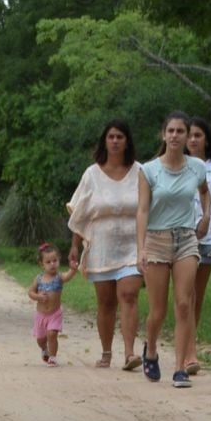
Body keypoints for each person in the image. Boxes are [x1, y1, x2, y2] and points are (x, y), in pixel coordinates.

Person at [136, 112, 207, 388]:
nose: (175, 136)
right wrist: (141, 248)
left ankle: (179, 368)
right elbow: (142, 210)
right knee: (158, 310)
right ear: (163, 135)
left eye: (181, 131)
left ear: (187, 136)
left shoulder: (197, 167)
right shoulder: (149, 170)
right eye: (171, 131)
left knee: (184, 303)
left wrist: (206, 216)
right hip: (157, 239)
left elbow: (204, 191)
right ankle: (151, 349)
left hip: (186, 237)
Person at [67, 120, 144, 371]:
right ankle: (106, 352)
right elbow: (80, 212)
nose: (115, 141)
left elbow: (149, 208)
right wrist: (75, 246)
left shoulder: (140, 172)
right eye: (111, 137)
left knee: (129, 295)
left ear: (127, 141)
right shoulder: (92, 174)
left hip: (133, 245)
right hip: (101, 246)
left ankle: (130, 353)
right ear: (104, 141)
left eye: (120, 136)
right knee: (106, 302)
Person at [180, 116, 211, 375]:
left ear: (206, 139)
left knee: (197, 296)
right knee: (186, 294)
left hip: (208, 236)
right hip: (181, 236)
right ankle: (189, 352)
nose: (193, 140)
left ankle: (187, 344)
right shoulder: (177, 165)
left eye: (198, 135)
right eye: (190, 135)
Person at [27, 243, 79, 367]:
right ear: (42, 264)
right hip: (41, 315)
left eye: (55, 261)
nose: (52, 264)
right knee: (40, 339)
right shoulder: (39, 279)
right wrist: (38, 297)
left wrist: (73, 269)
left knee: (52, 334)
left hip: (55, 313)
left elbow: (68, 276)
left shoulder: (59, 277)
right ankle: (44, 348)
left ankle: (53, 357)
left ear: (59, 260)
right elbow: (30, 292)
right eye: (48, 262)